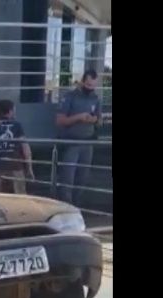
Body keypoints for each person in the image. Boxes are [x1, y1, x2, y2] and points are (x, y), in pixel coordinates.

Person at [53, 68, 102, 205]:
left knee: (82, 179)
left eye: (93, 86)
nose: (90, 88)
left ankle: (77, 206)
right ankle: (65, 208)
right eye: (88, 85)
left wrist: (95, 120)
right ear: (82, 82)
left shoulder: (95, 98)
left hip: (87, 143)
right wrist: (79, 117)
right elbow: (60, 121)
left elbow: (99, 119)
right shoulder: (70, 96)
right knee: (67, 179)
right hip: (70, 143)